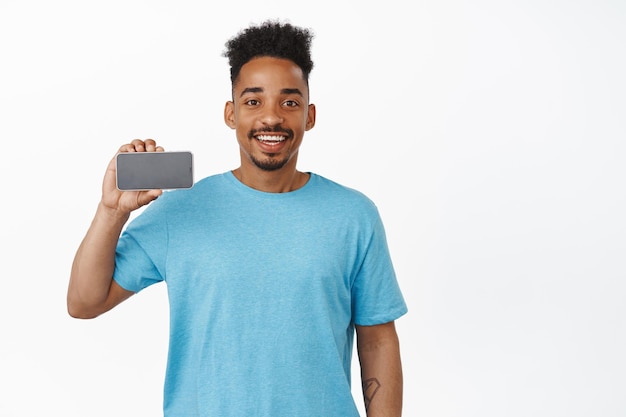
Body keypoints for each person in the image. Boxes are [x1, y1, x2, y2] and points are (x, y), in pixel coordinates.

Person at [67, 19, 407, 417]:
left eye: (290, 102)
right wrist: (111, 213)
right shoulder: (180, 211)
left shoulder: (354, 216)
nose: (272, 117)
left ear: (309, 116)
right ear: (231, 114)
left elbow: (378, 340)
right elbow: (84, 302)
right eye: (253, 101)